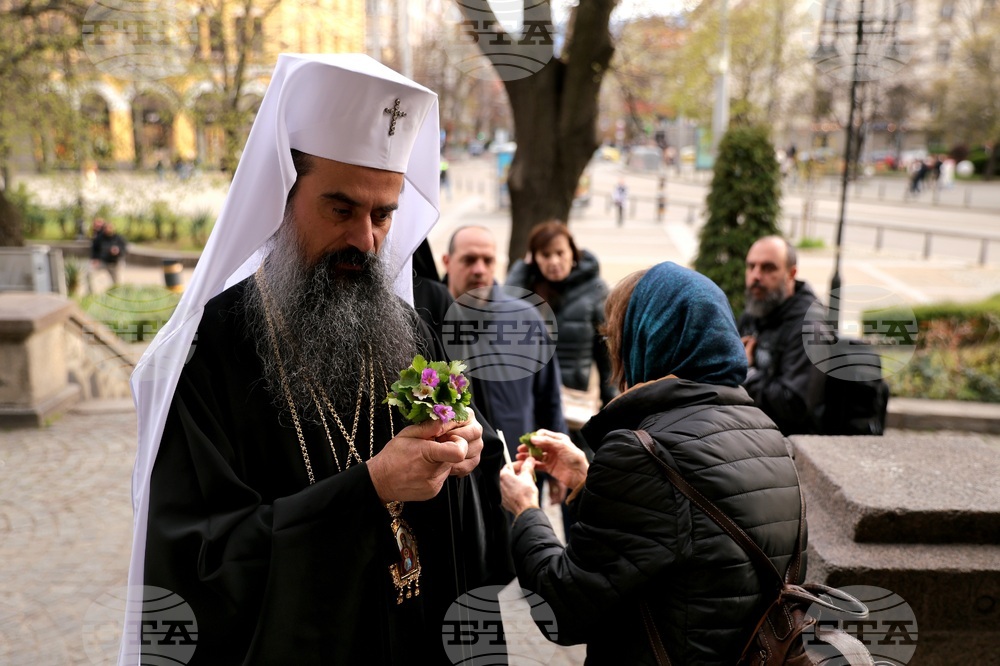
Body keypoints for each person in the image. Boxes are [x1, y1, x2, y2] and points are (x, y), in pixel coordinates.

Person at [124, 54, 511, 666]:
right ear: (280, 197)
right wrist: (369, 489)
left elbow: (472, 524)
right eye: (341, 209)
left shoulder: (410, 332)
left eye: (383, 215)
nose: (366, 239)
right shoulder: (206, 354)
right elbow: (202, 564)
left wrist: (468, 452)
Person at [498, 261, 805, 663]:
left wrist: (526, 511)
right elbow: (685, 536)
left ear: (648, 339)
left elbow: (562, 609)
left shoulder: (642, 452)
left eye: (617, 338)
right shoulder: (770, 436)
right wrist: (588, 479)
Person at [441, 225, 568, 497]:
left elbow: (549, 398)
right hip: (449, 482)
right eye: (469, 260)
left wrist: (557, 466)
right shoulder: (426, 318)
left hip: (514, 473)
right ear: (447, 262)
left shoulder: (526, 319)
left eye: (487, 260)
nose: (479, 269)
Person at [505, 221, 618, 429]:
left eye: (560, 253)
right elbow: (504, 310)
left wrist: (613, 408)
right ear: (534, 258)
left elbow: (606, 357)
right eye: (545, 255)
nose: (554, 261)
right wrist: (522, 267)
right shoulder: (529, 286)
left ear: (572, 253)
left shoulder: (594, 289)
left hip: (573, 404)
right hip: (531, 401)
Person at [737, 235, 822, 435]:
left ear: (791, 274)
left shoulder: (810, 327)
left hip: (789, 442)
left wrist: (746, 372)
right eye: (751, 267)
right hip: (751, 431)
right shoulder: (755, 312)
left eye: (768, 268)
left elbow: (795, 404)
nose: (756, 276)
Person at [87, 218, 126, 292]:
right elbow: (95, 250)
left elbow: (124, 249)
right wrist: (95, 259)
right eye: (107, 228)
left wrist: (117, 251)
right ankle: (91, 292)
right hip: (103, 262)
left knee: (117, 282)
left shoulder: (118, 238)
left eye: (110, 227)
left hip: (114, 263)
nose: (109, 229)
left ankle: (117, 293)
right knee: (89, 273)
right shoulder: (99, 238)